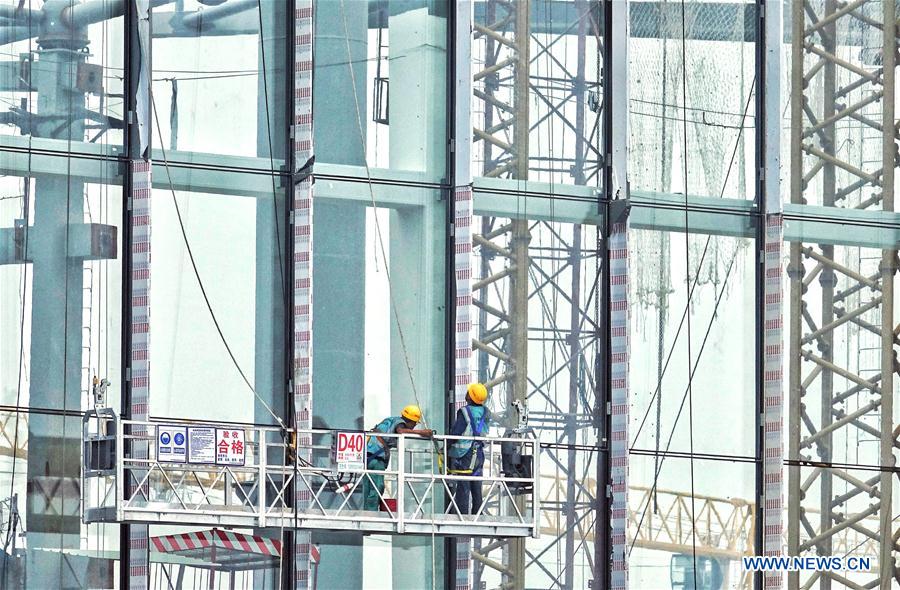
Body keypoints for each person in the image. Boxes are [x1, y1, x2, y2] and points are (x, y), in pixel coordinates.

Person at [363, 404, 433, 511]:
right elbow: (401, 431)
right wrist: (422, 432)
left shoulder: (391, 420)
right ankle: (370, 513)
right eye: (414, 423)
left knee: (369, 486)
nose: (414, 426)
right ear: (411, 421)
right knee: (377, 486)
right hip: (377, 457)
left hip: (368, 455)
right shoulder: (400, 423)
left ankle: (367, 512)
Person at [448, 383, 490, 515]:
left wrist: (446, 445)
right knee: (476, 482)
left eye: (468, 392)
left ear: (470, 397)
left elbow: (457, 432)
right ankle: (477, 512)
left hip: (465, 454)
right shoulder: (485, 412)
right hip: (479, 454)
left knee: (464, 484)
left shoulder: (465, 412)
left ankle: (462, 514)